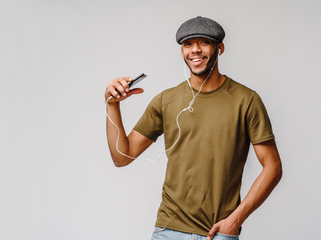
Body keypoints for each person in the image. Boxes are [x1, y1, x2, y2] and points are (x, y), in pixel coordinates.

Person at [105, 16, 282, 240]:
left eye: (204, 42)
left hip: (218, 233)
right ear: (182, 52)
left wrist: (236, 220)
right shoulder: (166, 100)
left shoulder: (246, 100)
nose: (195, 50)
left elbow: (273, 167)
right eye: (188, 44)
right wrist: (112, 105)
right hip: (168, 231)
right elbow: (123, 156)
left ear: (220, 48)